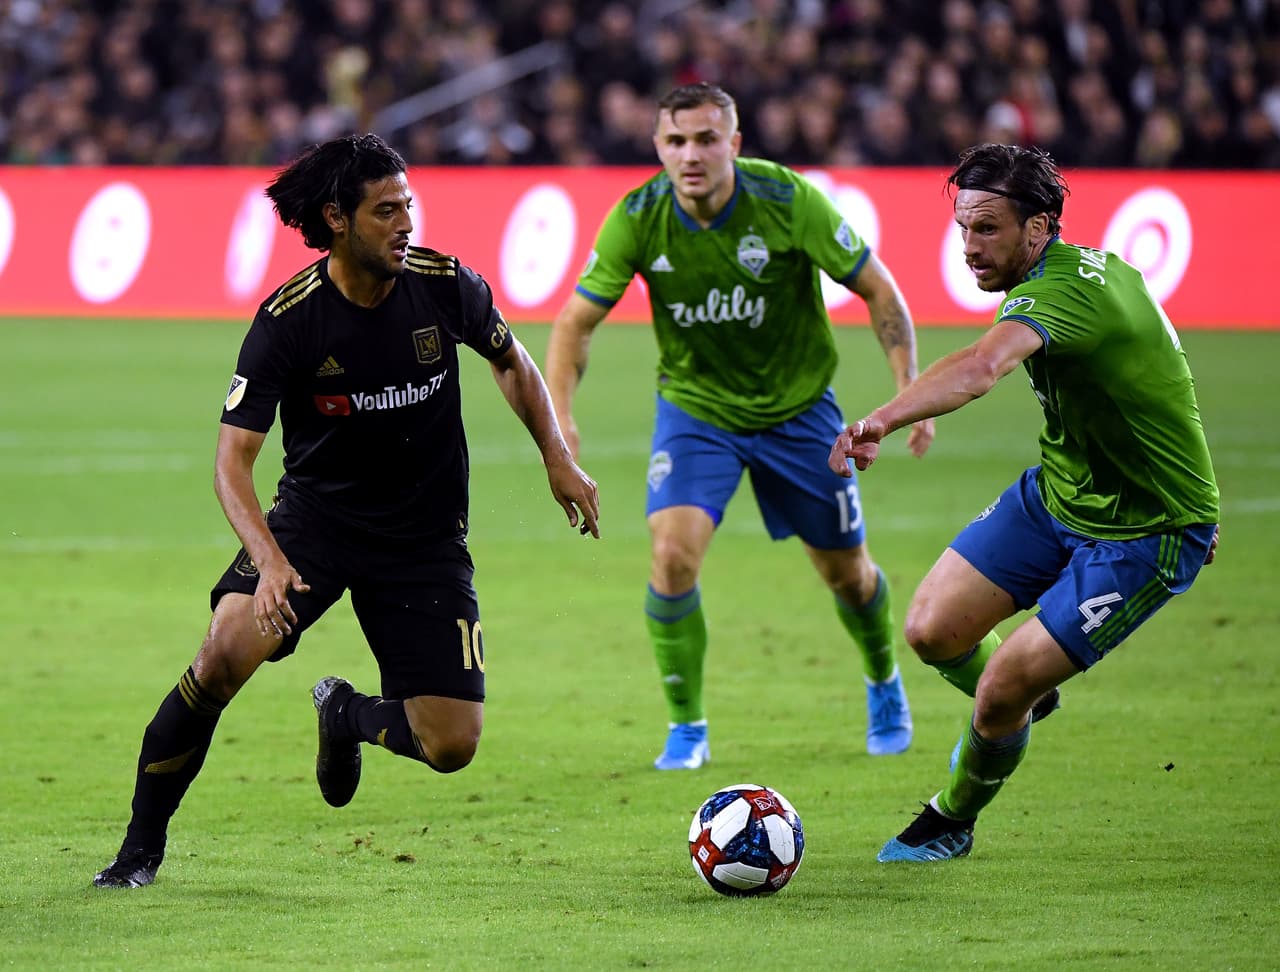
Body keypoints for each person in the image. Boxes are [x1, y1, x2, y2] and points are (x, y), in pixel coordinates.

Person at [93, 133, 600, 888]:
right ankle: (138, 852)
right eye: (385, 211)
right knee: (220, 655)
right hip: (315, 530)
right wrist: (269, 563)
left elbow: (511, 360)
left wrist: (556, 455)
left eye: (409, 207)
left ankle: (347, 715)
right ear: (337, 219)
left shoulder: (444, 284)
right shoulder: (289, 321)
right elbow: (232, 462)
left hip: (423, 540)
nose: (406, 225)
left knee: (452, 744)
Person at [828, 143, 1220, 862]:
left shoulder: (1066, 293)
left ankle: (952, 817)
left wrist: (881, 418)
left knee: (1000, 684)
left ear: (1038, 227)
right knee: (930, 630)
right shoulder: (1086, 273)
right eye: (963, 228)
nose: (970, 248)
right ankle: (1021, 701)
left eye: (988, 229)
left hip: (1145, 532)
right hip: (1059, 493)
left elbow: (981, 368)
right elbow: (1160, 382)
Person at [545, 82, 933, 770]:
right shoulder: (638, 216)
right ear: (658, 146)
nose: (690, 155)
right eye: (675, 141)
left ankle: (884, 683)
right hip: (699, 412)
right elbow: (575, 321)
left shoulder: (786, 201)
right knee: (671, 556)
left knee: (846, 575)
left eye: (705, 139)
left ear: (735, 142)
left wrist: (909, 390)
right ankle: (686, 728)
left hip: (799, 411)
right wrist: (561, 419)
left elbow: (879, 289)